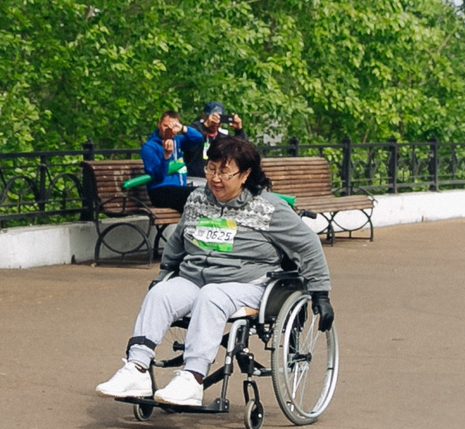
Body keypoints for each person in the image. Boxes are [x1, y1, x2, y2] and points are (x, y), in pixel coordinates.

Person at [96, 134, 332, 407]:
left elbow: (308, 245)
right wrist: (164, 275)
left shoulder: (268, 208)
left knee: (212, 295)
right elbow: (177, 241)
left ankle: (193, 378)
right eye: (211, 169)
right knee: (161, 294)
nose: (215, 178)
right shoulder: (197, 199)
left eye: (224, 172)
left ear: (245, 175)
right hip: (195, 277)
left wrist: (320, 293)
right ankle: (136, 369)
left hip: (249, 283)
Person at [139, 111, 194, 212]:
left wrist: (183, 128)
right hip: (159, 191)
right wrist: (166, 155)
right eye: (165, 126)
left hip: (179, 189)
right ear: (159, 124)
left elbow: (197, 138)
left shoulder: (178, 141)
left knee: (203, 194)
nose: (168, 130)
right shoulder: (149, 147)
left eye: (173, 127)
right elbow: (158, 176)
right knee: (195, 195)